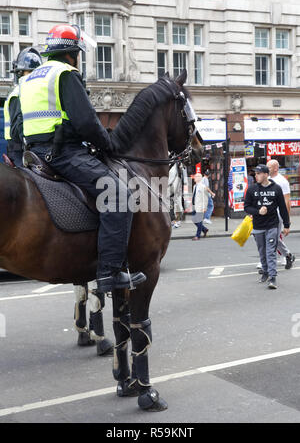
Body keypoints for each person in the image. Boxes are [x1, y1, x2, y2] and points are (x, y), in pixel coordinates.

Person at [19, 24, 177, 294]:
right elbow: (86, 121)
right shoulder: (66, 74)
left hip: (34, 155)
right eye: (78, 54)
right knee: (118, 195)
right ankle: (109, 273)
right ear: (72, 54)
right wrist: (108, 144)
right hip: (64, 153)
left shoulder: (30, 78)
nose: (78, 59)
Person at [244, 164, 290, 289]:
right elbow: (246, 207)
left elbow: (282, 207)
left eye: (259, 174)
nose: (256, 176)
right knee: (262, 251)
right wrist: (258, 211)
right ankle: (265, 272)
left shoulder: (276, 188)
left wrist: (286, 224)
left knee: (270, 251)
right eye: (256, 174)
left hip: (272, 224)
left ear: (265, 174)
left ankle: (273, 277)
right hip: (258, 225)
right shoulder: (252, 189)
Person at [3, 47, 42, 167]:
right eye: (29, 73)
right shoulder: (17, 94)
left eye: (35, 73)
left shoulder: (33, 93)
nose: (32, 77)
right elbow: (16, 131)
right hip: (19, 152)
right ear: (19, 74)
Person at [267, 159, 295, 269]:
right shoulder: (266, 179)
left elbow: (287, 201)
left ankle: (270, 260)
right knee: (269, 237)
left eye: (269, 167)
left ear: (275, 168)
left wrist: (287, 220)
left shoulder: (282, 181)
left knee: (272, 237)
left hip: (278, 214)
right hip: (265, 214)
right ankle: (287, 255)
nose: (267, 169)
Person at [191, 173, 209, 240]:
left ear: (199, 178)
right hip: (195, 206)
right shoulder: (195, 186)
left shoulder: (202, 186)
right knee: (193, 219)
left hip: (200, 206)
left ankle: (197, 236)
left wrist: (204, 207)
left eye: (195, 177)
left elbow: (205, 198)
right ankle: (204, 229)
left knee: (199, 220)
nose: (194, 178)